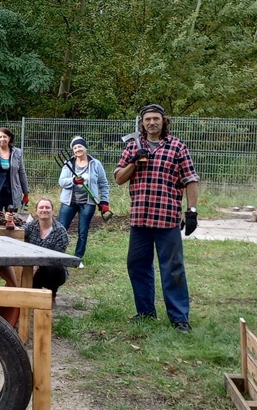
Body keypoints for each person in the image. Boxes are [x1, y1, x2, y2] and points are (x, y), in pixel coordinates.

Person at [114, 104, 199, 332]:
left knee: (173, 269)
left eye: (156, 119)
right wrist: (134, 161)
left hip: (166, 218)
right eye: (147, 119)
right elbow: (119, 178)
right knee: (138, 266)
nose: (152, 123)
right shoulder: (133, 146)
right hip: (140, 219)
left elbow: (190, 179)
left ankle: (179, 318)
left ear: (164, 121)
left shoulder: (177, 147)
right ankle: (145, 312)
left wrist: (192, 211)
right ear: (142, 123)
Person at [57, 136, 110, 269]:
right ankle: (58, 256)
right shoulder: (68, 164)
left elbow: (103, 183)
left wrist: (104, 201)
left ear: (85, 147)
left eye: (80, 146)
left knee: (83, 231)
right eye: (75, 148)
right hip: (69, 201)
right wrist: (73, 180)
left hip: (88, 202)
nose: (78, 149)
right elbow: (62, 181)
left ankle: (77, 259)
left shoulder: (95, 164)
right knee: (61, 228)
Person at [23, 197, 70, 300]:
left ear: (52, 211)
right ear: (36, 211)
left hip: (52, 268)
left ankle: (52, 291)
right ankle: (33, 293)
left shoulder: (60, 231)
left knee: (56, 268)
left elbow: (59, 258)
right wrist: (10, 222)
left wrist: (38, 265)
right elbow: (17, 233)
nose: (44, 210)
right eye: (41, 207)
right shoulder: (29, 227)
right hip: (31, 265)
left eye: (47, 207)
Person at [0, 127, 29, 212]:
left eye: (5, 136)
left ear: (9, 138)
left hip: (12, 192)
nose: (2, 139)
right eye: (0, 137)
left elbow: (22, 173)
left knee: (12, 219)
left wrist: (26, 192)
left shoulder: (17, 153)